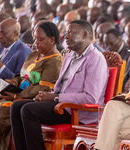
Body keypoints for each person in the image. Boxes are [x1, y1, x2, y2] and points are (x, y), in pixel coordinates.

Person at [10, 20, 108, 150]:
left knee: (28, 111)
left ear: (85, 35)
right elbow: (61, 88)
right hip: (61, 105)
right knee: (16, 106)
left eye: (71, 33)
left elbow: (90, 98)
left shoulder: (95, 59)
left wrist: (56, 98)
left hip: (78, 112)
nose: (66, 37)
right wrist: (47, 95)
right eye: (66, 33)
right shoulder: (69, 55)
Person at [0, 21, 62, 150]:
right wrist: (12, 83)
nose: (36, 43)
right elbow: (22, 76)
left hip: (32, 100)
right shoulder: (34, 55)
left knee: (0, 111)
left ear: (52, 40)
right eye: (35, 39)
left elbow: (43, 87)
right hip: (17, 95)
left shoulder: (55, 60)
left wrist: (16, 95)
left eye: (41, 39)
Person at [0, 18, 31, 87]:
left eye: (3, 33)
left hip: (4, 93)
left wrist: (0, 66)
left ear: (16, 34)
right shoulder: (2, 46)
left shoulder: (23, 52)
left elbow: (19, 81)